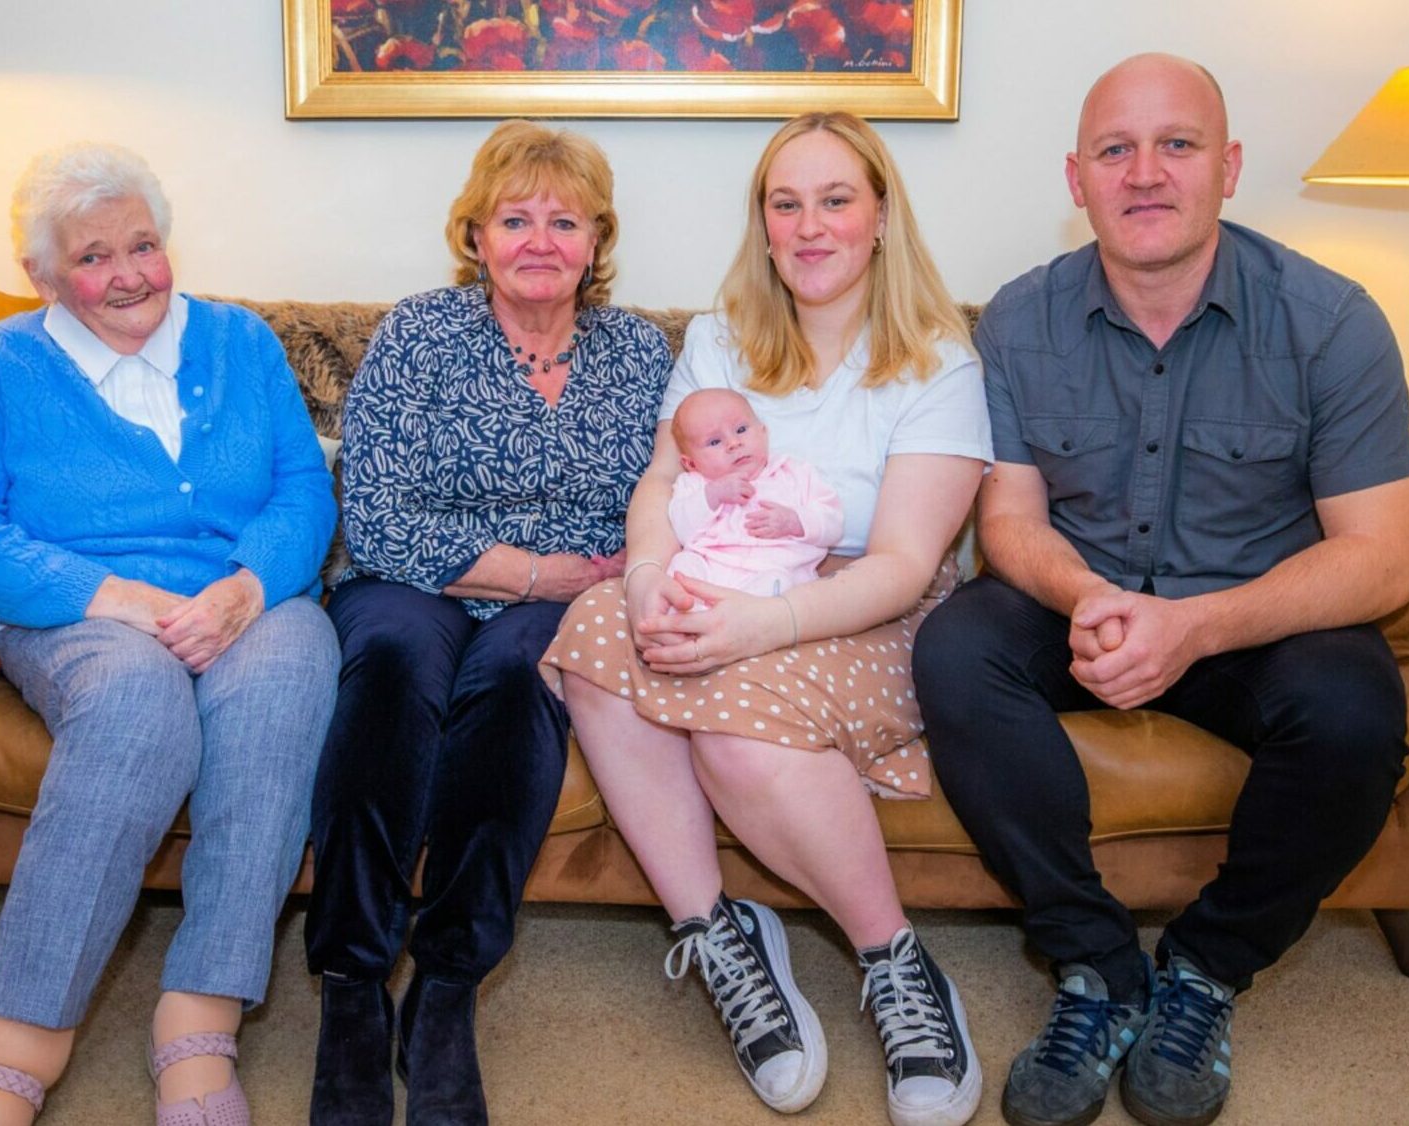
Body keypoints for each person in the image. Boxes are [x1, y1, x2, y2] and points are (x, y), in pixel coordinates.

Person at [912, 53, 1409, 1126]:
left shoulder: (1330, 322)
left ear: (1227, 166)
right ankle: (1095, 965)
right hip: (1082, 604)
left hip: (1252, 618)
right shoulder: (1015, 320)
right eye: (1115, 150)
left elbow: (1380, 558)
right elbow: (1006, 522)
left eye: (1175, 145)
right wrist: (1089, 598)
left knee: (1353, 707)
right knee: (954, 648)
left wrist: (1192, 625)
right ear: (1076, 178)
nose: (1144, 173)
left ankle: (1205, 966)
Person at [541, 111, 993, 1126]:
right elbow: (660, 480)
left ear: (879, 216)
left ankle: (893, 960)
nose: (810, 225)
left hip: (862, 604)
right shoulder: (719, 337)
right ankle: (716, 934)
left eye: (835, 200)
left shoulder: (934, 363)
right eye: (785, 204)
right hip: (717, 576)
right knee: (597, 630)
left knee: (737, 736)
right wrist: (651, 570)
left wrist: (759, 623)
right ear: (762, 224)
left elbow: (905, 561)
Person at [0, 142, 340, 1126]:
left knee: (286, 678)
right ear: (42, 275)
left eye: (143, 244)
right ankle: (15, 1038)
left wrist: (246, 586)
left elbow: (300, 488)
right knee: (140, 703)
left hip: (242, 597)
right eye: (95, 257)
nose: (130, 274)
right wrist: (115, 597)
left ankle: (199, 1023)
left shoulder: (239, 341)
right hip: (78, 613)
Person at [306, 120, 672, 1126]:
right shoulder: (417, 333)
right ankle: (348, 990)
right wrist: (528, 570)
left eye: (565, 220)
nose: (540, 240)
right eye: (515, 218)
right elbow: (374, 514)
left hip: (571, 598)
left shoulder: (640, 351)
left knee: (517, 686)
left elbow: (667, 495)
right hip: (413, 579)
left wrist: (594, 579)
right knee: (384, 667)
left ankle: (447, 987)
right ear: (474, 235)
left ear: (597, 240)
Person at [666, 387, 845, 600]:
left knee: (779, 583)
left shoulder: (794, 473)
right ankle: (690, 612)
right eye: (714, 442)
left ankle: (740, 617)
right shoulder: (694, 484)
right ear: (691, 463)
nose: (734, 443)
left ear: (763, 432)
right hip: (712, 569)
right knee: (683, 565)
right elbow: (681, 528)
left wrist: (795, 521)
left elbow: (833, 523)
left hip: (774, 571)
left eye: (741, 429)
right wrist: (712, 495)